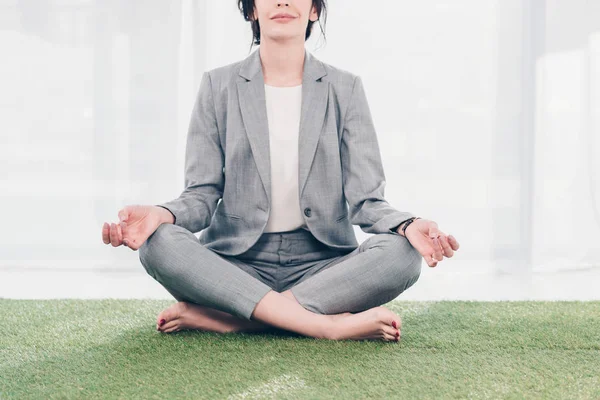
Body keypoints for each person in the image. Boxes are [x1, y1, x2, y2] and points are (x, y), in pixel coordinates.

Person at [101, 0, 460, 342]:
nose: (283, 2)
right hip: (235, 263)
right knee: (158, 243)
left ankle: (232, 320)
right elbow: (202, 194)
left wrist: (409, 224)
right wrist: (162, 214)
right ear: (252, 9)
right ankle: (323, 326)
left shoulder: (345, 88)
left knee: (403, 254)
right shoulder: (217, 86)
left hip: (322, 267)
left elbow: (366, 200)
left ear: (314, 9)